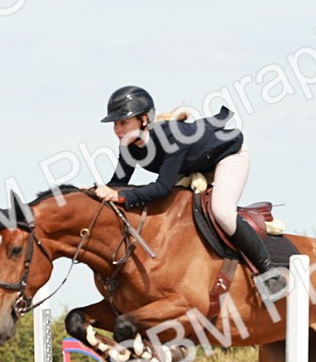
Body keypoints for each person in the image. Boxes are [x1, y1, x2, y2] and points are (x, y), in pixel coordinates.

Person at [92, 85, 286, 295]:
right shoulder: (128, 145)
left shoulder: (170, 138)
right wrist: (93, 191)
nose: (118, 129)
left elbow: (162, 188)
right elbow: (118, 183)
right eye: (115, 124)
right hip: (193, 166)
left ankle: (270, 273)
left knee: (221, 211)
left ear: (144, 120)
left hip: (228, 156)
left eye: (124, 122)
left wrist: (120, 195)